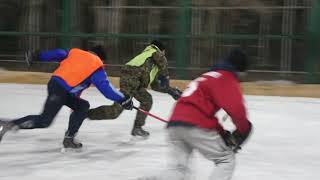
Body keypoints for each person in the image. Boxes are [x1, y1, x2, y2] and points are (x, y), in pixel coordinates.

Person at [0, 46, 134, 149]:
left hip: (57, 85)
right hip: (61, 89)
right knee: (45, 120)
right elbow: (106, 88)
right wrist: (123, 99)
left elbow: (58, 53)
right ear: (101, 58)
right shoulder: (96, 64)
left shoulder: (75, 52)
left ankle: (69, 138)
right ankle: (9, 124)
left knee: (82, 106)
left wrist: (38, 55)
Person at [162, 48, 253, 180]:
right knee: (226, 159)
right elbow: (237, 109)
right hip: (195, 125)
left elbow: (203, 111)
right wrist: (244, 129)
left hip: (174, 124)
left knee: (179, 169)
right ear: (240, 69)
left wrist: (221, 133)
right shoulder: (226, 77)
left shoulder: (207, 76)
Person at [88, 40, 181, 138]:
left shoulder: (151, 63)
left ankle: (137, 128)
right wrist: (165, 77)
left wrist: (171, 91)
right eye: (164, 52)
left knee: (147, 100)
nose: (164, 55)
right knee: (115, 111)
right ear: (161, 50)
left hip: (136, 82)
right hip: (131, 77)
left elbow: (156, 86)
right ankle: (85, 113)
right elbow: (163, 64)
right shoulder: (154, 52)